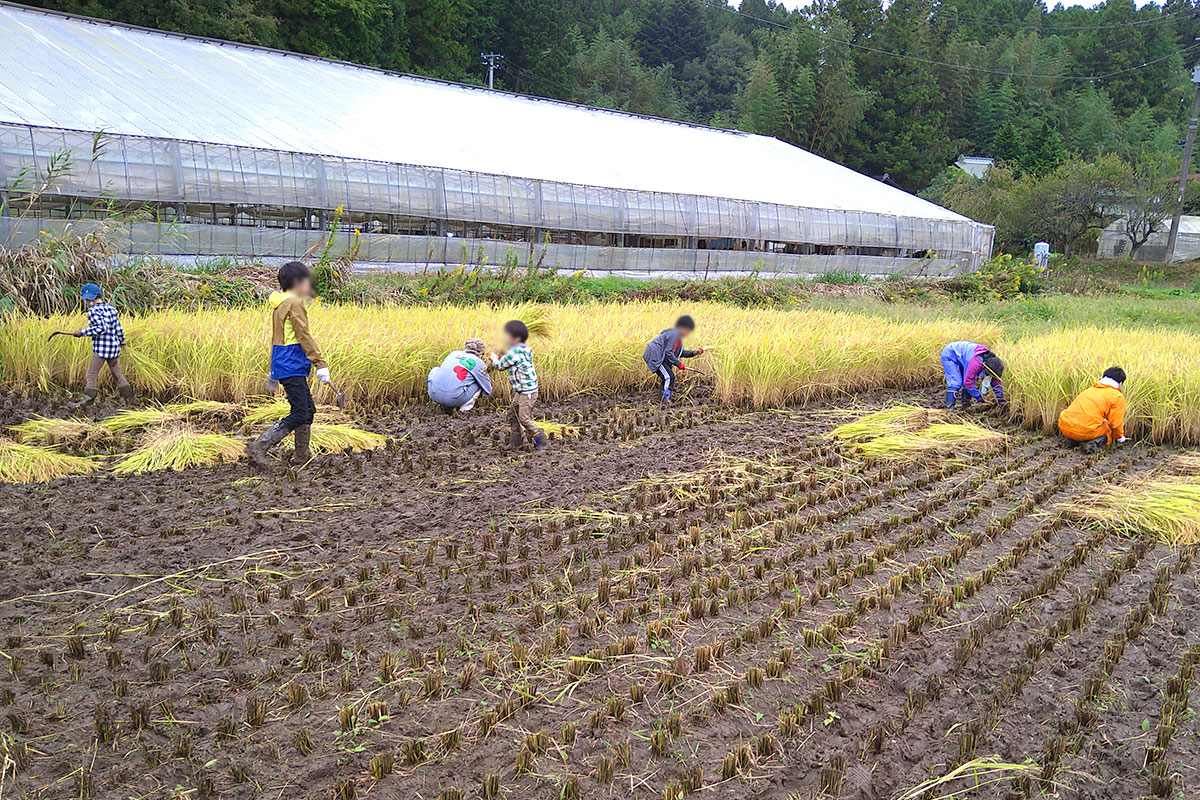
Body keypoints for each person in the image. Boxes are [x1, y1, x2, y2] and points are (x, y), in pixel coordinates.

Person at [246, 261, 330, 468]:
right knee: (300, 412)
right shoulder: (294, 304)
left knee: (308, 409)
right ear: (297, 282)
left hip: (284, 363)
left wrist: (274, 369)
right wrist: (320, 363)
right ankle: (260, 445)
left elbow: (278, 338)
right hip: (291, 363)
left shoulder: (279, 304)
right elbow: (304, 335)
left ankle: (302, 455)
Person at [72, 282, 133, 407]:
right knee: (117, 375)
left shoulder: (93, 311)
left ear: (90, 299)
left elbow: (101, 328)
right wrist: (122, 343)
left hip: (101, 350)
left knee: (91, 375)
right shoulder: (112, 309)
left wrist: (81, 332)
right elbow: (119, 329)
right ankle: (131, 400)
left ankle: (87, 402)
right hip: (114, 349)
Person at [491, 320, 547, 451]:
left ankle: (543, 441)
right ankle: (516, 442)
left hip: (527, 392)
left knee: (524, 418)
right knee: (512, 414)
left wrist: (494, 357)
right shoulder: (524, 349)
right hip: (523, 391)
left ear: (516, 338)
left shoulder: (513, 353)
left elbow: (499, 366)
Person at [1058, 367, 1128, 454]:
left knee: (1087, 424)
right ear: (1120, 383)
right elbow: (1115, 424)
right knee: (1109, 428)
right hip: (1085, 431)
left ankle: (1073, 441)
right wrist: (1120, 438)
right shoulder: (1117, 396)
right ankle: (1092, 444)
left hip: (1065, 427)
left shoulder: (1090, 390)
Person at [643, 315, 705, 403]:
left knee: (668, 376)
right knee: (669, 376)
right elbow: (669, 353)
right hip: (655, 356)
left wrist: (694, 353)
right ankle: (666, 397)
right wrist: (679, 364)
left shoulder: (678, 339)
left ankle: (662, 395)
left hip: (661, 357)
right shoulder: (674, 335)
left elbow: (680, 353)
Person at [428, 338, 493, 413]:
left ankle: (443, 404)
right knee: (479, 382)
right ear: (481, 353)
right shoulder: (479, 363)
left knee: (435, 369)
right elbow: (488, 390)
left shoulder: (453, 353)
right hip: (455, 399)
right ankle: (464, 410)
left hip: (434, 395)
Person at [940, 341, 1005, 409]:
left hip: (963, 356)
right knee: (956, 382)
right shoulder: (976, 363)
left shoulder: (993, 364)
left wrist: (1000, 399)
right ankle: (950, 409)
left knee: (969, 378)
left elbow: (996, 382)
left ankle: (965, 405)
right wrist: (979, 397)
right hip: (951, 354)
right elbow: (968, 382)